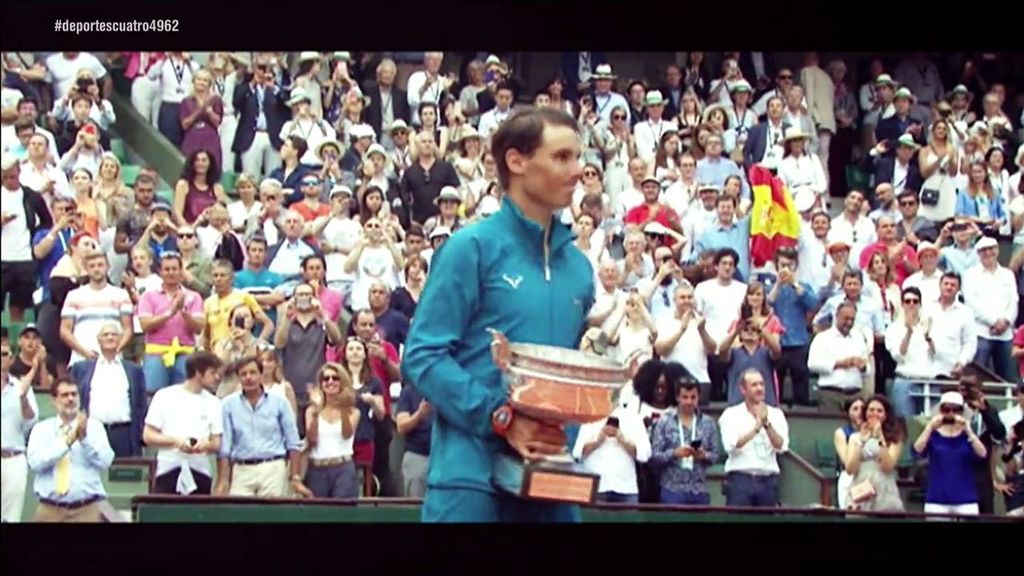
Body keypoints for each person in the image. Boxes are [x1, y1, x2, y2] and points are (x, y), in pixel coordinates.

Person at [402, 107, 594, 523]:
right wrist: (502, 419)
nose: (578, 170)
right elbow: (422, 356)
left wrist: (558, 437)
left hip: (550, 485)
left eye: (578, 157)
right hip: (469, 484)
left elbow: (565, 380)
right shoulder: (468, 248)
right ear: (516, 161)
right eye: (562, 157)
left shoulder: (581, 270)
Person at [215, 355, 310, 498]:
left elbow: (293, 442)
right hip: (242, 469)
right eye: (243, 374)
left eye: (253, 373)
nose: (248, 377)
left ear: (261, 374)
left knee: (271, 517)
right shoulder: (228, 404)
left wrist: (295, 477)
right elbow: (225, 447)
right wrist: (222, 480)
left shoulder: (279, 402)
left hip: (273, 467)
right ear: (238, 377)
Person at [26, 378, 114, 522]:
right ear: (53, 400)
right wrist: (67, 442)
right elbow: (35, 463)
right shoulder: (41, 429)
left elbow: (106, 461)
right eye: (65, 395)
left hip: (86, 509)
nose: (71, 399)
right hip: (50, 509)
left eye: (74, 394)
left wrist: (84, 439)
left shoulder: (95, 427)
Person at [143, 351, 223, 495]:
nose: (217, 377)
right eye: (212, 372)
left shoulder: (215, 403)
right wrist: (176, 442)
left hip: (200, 472)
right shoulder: (164, 396)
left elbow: (216, 443)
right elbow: (148, 435)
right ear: (198, 373)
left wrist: (204, 445)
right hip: (168, 470)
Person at [68, 323, 147, 458]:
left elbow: (141, 404)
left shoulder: (133, 370)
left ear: (121, 339)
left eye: (114, 334)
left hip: (123, 434)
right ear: (99, 340)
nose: (110, 337)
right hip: (91, 432)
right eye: (106, 335)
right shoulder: (81, 369)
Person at [718, 369, 789, 508]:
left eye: (761, 384)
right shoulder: (730, 414)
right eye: (754, 385)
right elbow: (731, 445)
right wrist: (756, 428)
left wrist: (767, 424)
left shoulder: (776, 414)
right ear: (743, 389)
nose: (759, 388)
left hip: (768, 481)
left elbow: (781, 446)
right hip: (740, 480)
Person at [137, 253, 206, 394]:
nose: (171, 273)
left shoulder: (194, 296)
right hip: (156, 354)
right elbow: (145, 325)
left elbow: (199, 328)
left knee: (186, 396)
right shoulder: (148, 296)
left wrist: (184, 313)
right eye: (167, 269)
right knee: (153, 395)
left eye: (174, 269)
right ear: (160, 272)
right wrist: (170, 312)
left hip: (185, 353)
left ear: (181, 271)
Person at [913, 391, 988, 518]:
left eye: (956, 410)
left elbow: (983, 454)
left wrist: (969, 431)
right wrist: (930, 427)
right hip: (937, 498)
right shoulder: (933, 435)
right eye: (946, 409)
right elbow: (917, 449)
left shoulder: (967, 436)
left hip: (966, 498)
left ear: (961, 412)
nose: (951, 414)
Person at [572, 391, 652, 505]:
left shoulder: (633, 418)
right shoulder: (590, 417)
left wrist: (622, 440)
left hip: (626, 489)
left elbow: (645, 454)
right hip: (596, 487)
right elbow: (577, 453)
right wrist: (597, 441)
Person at [649, 376, 719, 505]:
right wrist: (674, 453)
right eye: (685, 397)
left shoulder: (708, 423)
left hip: (699, 490)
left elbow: (715, 455)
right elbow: (654, 457)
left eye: (693, 397)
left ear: (698, 397)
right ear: (677, 398)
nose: (689, 402)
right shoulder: (664, 421)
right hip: (672, 490)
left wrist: (704, 455)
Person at [2, 155, 53, 323]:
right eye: (5, 177)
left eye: (13, 176)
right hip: (2, 257)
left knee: (19, 305)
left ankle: (16, 340)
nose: (10, 180)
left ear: (19, 172)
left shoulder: (31, 196)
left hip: (24, 257)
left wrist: (34, 236)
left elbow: (47, 221)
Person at [59, 251, 133, 365]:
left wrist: (114, 351)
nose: (96, 269)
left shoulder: (121, 294)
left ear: (107, 267)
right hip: (81, 360)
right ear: (86, 269)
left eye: (100, 265)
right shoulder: (74, 295)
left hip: (113, 361)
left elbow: (128, 328)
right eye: (92, 266)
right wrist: (85, 353)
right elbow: (64, 330)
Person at [304, 363, 360, 499]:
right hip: (317, 468)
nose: (330, 382)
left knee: (343, 514)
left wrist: (342, 408)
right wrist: (317, 411)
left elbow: (347, 434)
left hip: (343, 467)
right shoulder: (311, 411)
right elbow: (312, 439)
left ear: (342, 382)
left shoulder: (353, 411)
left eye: (335, 378)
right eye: (326, 378)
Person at [844, 395, 905, 512]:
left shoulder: (895, 438)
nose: (874, 413)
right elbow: (850, 469)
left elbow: (887, 467)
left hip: (885, 493)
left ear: (886, 415)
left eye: (879, 411)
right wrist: (861, 441)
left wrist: (881, 437)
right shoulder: (854, 437)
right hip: (861, 491)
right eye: (871, 410)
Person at [1, 338, 38, 523]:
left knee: (12, 518)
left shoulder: (21, 386)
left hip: (13, 458)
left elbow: (31, 421)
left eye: (4, 354)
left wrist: (23, 398)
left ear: (11, 359)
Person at [834, 397, 864, 510]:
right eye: (855, 409)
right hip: (849, 478)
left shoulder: (874, 431)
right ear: (847, 413)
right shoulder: (841, 433)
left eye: (862, 408)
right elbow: (847, 463)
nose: (859, 412)